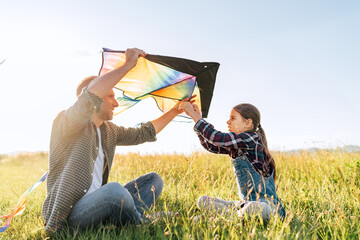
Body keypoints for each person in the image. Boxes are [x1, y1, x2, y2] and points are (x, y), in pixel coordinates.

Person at [42, 48, 190, 235]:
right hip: (68, 216)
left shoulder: (108, 130)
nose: (116, 102)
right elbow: (89, 97)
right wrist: (128, 65)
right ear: (95, 98)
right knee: (114, 191)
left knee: (153, 181)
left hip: (97, 207)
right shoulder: (67, 123)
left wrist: (175, 111)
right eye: (111, 96)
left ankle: (123, 221)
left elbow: (143, 133)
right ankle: (143, 223)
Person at [179, 102, 286, 222]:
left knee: (257, 208)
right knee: (203, 200)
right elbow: (210, 145)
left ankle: (224, 219)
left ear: (248, 123)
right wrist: (197, 118)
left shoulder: (252, 139)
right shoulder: (238, 144)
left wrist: (194, 115)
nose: (228, 122)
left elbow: (216, 137)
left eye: (233, 118)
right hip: (246, 204)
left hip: (270, 208)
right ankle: (235, 214)